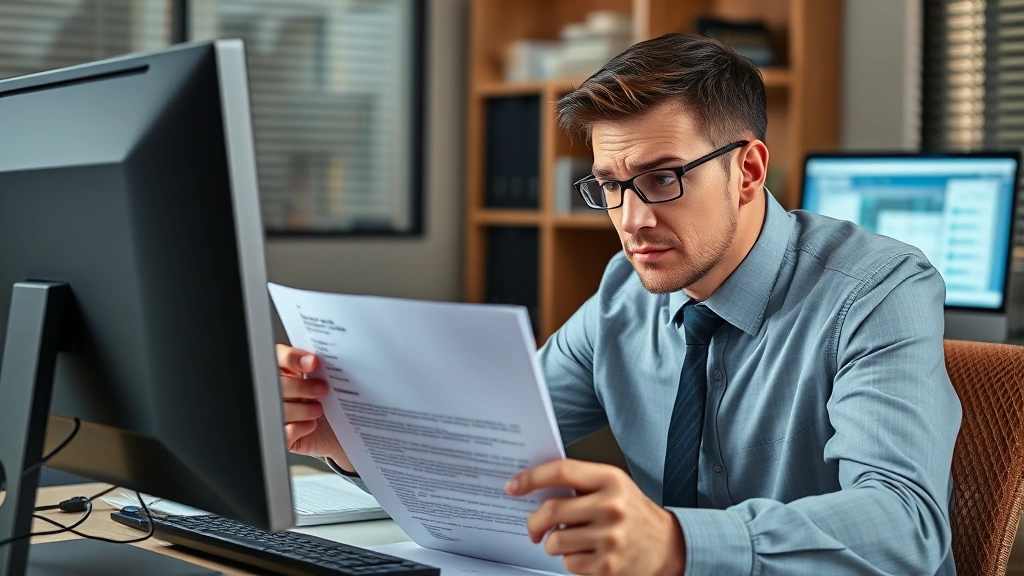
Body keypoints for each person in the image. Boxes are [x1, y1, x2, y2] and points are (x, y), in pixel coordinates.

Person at [276, 33, 961, 576]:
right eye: (609, 185)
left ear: (748, 171)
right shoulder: (622, 297)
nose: (630, 218)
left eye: (661, 178)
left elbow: (907, 528)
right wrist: (361, 441)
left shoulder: (879, 291)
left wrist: (676, 542)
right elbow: (496, 450)